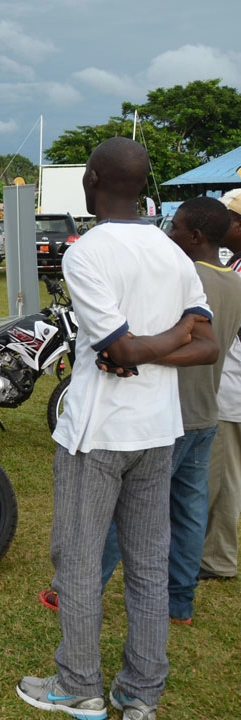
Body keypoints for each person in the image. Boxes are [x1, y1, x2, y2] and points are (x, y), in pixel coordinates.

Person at [17, 138, 217, 720]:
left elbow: (121, 347)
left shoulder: (86, 253)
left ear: (93, 179)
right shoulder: (173, 253)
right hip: (159, 430)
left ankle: (78, 685)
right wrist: (174, 336)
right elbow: (202, 344)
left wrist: (137, 350)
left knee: (79, 562)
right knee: (150, 567)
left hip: (98, 432)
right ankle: (139, 695)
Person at [93, 196, 241, 626]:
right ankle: (180, 604)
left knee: (130, 507)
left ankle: (83, 587)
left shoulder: (180, 276)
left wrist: (133, 353)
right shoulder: (233, 282)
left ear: (195, 236)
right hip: (206, 412)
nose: (168, 234)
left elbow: (156, 340)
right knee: (190, 511)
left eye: (175, 227)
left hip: (169, 413)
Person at [202, 188, 241, 581]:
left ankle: (216, 559)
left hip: (232, 389)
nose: (224, 224)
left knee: (223, 479)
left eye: (229, 219)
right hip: (230, 385)